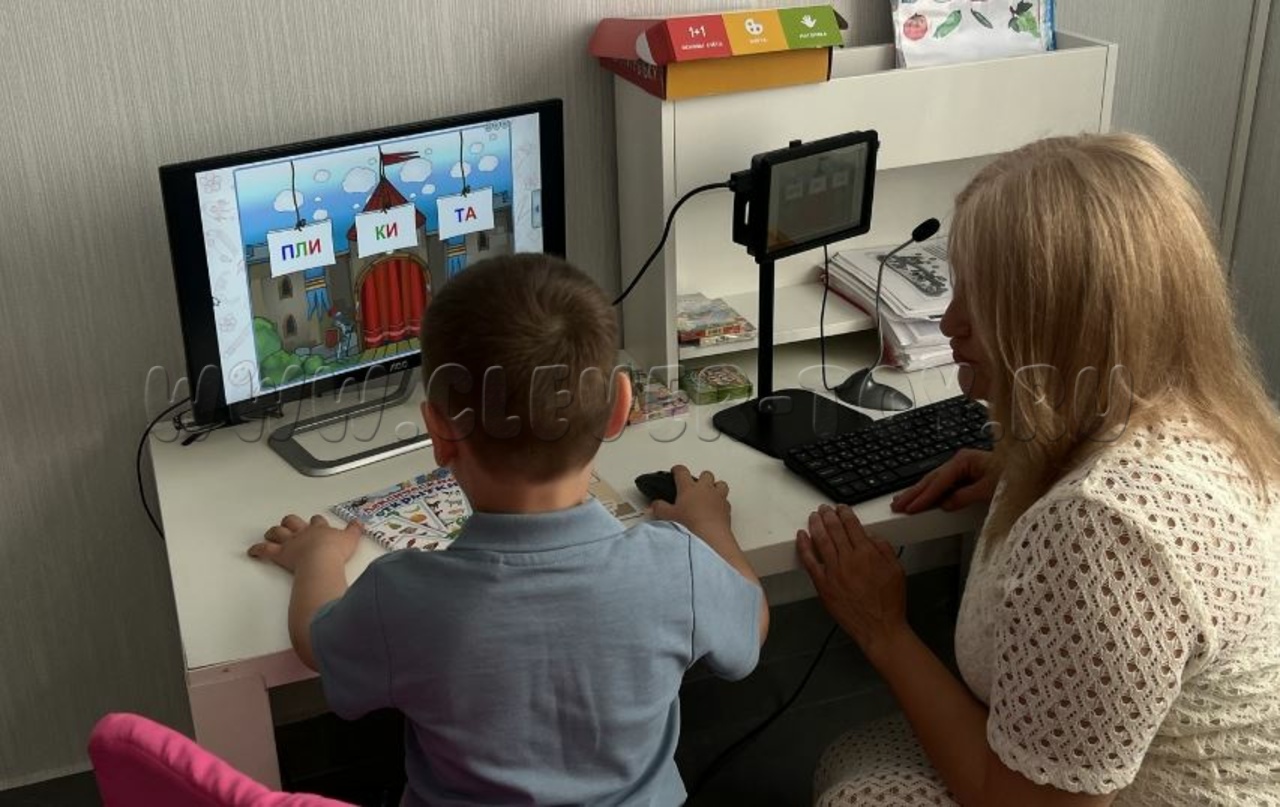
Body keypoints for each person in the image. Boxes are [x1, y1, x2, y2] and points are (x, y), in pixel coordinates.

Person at [798, 133, 1280, 806]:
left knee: (858, 796)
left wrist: (882, 628)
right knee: (852, 753)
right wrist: (1025, 468)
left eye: (984, 301)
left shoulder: (1105, 530)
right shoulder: (1218, 418)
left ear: (1068, 321)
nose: (950, 322)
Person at [248, 253, 769, 806]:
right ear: (620, 407)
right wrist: (709, 526)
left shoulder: (399, 593)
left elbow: (317, 645)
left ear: (439, 433)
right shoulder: (677, 567)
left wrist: (318, 558)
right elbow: (751, 628)